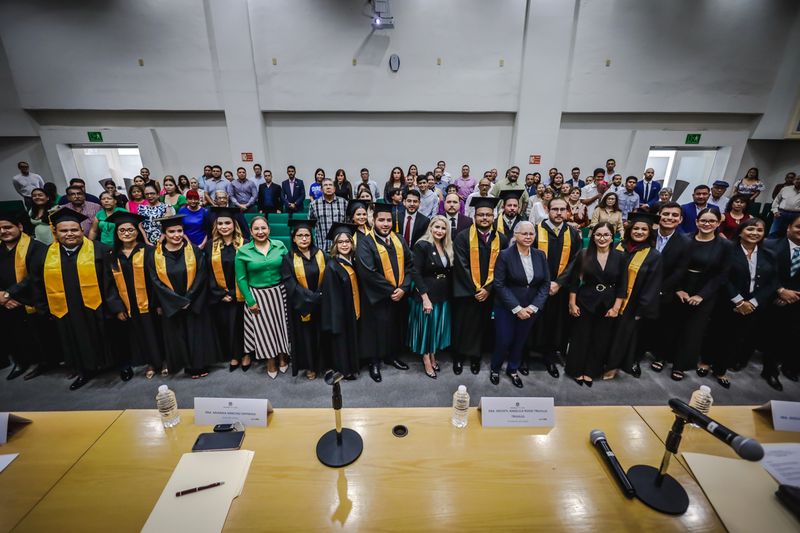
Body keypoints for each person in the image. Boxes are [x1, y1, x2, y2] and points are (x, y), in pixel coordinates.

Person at [36, 208, 117, 390]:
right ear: (55, 232)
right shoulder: (46, 255)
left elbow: (112, 282)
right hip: (68, 310)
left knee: (110, 337)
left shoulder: (101, 250)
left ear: (82, 230)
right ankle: (85, 371)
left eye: (74, 229)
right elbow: (37, 283)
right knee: (76, 339)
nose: (70, 234)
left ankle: (120, 367)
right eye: (64, 230)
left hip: (99, 307)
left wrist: (114, 306)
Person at [145, 215, 220, 378]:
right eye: (171, 232)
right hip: (170, 303)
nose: (176, 235)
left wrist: (189, 299)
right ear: (164, 233)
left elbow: (202, 275)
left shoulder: (193, 250)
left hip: (194, 301)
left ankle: (199, 366)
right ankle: (184, 365)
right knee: (178, 335)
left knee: (196, 334)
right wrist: (177, 302)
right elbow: (155, 281)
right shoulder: (155, 255)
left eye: (179, 231)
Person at [709, 218, 777, 388]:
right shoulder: (728, 250)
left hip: (752, 305)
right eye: (750, 229)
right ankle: (706, 362)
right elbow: (722, 276)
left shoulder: (769, 254)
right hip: (727, 301)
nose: (755, 233)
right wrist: (739, 300)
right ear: (740, 232)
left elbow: (772, 282)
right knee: (716, 333)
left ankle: (721, 369)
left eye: (759, 230)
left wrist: (753, 302)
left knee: (736, 338)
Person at [669, 208, 732, 381]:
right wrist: (677, 289)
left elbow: (722, 274)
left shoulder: (725, 245)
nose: (707, 224)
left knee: (693, 329)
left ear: (718, 223)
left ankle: (680, 365)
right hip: (681, 284)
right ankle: (663, 357)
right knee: (672, 323)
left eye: (712, 221)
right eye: (703, 220)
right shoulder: (684, 239)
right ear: (697, 222)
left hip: (706, 289)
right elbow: (673, 266)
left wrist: (702, 295)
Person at [356, 202, 413, 382]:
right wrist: (391, 290)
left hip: (398, 295)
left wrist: (404, 288)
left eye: (388, 220)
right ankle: (374, 362)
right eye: (381, 220)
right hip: (376, 297)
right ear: (373, 221)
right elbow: (368, 272)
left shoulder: (399, 239)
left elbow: (411, 264)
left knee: (393, 327)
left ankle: (391, 356)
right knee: (374, 329)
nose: (386, 223)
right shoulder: (365, 242)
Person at [103, 211, 164, 379]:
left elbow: (158, 279)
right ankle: (151, 362)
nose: (126, 233)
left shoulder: (149, 251)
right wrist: (117, 308)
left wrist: (159, 303)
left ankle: (164, 361)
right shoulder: (112, 256)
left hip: (150, 302)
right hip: (128, 304)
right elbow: (108, 285)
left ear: (137, 231)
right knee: (139, 335)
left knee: (157, 331)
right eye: (122, 230)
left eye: (130, 230)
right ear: (117, 233)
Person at [565, 222, 627, 386]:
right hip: (585, 300)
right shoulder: (584, 254)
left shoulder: (620, 257)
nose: (602, 238)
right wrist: (572, 303)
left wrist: (616, 307)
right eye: (598, 235)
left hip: (608, 302)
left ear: (612, 237)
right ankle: (576, 370)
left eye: (606, 235)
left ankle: (591, 371)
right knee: (581, 336)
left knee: (600, 339)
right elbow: (573, 282)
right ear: (593, 236)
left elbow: (622, 285)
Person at [451, 197, 508, 375]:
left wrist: (488, 289)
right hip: (466, 290)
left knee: (483, 326)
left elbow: (503, 268)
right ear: (474, 216)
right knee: (462, 324)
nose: (484, 218)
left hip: (489, 292)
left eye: (488, 215)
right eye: (481, 215)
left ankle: (475, 357)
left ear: (494, 216)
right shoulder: (462, 237)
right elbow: (461, 265)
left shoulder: (502, 240)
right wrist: (476, 287)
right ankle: (459, 356)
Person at [604, 212, 663, 379]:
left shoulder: (653, 255)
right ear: (630, 229)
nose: (639, 232)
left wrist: (641, 310)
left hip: (632, 304)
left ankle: (612, 366)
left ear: (649, 232)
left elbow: (653, 284)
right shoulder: (617, 246)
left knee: (621, 337)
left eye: (644, 229)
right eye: (636, 228)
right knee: (606, 333)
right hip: (609, 299)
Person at [491, 221, 549, 388]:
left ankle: (513, 369)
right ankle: (495, 368)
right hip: (507, 307)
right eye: (524, 233)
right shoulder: (505, 255)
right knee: (504, 340)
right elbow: (499, 284)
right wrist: (517, 309)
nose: (528, 237)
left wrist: (532, 307)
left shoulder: (540, 255)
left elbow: (545, 284)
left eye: (531, 234)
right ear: (515, 235)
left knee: (520, 340)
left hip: (531, 309)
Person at [530, 198, 583, 378]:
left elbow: (575, 261)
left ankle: (549, 357)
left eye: (562, 209)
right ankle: (526, 356)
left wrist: (559, 283)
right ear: (547, 209)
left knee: (555, 324)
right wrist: (545, 283)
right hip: (536, 288)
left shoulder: (573, 234)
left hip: (559, 289)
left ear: (568, 211)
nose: (559, 213)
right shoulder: (536, 231)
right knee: (532, 322)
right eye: (555, 209)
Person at [235, 216, 291, 378]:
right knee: (264, 330)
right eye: (256, 229)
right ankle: (270, 360)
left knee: (281, 326)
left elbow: (289, 269)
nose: (261, 232)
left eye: (263, 228)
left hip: (280, 293)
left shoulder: (279, 246)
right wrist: (250, 300)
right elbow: (241, 279)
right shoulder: (243, 251)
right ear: (251, 232)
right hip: (258, 296)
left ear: (269, 229)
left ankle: (282, 356)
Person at [0, 210, 48, 379]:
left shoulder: (36, 247)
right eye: (0, 228)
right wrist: (3, 297)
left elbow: (35, 276)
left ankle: (42, 363)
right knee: (14, 335)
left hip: (31, 301)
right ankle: (21, 362)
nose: (3, 231)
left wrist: (9, 294)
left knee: (37, 336)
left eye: (8, 227)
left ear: (19, 227)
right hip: (6, 303)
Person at [645, 202, 691, 372]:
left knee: (665, 325)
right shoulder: (647, 234)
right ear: (659, 216)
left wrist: (660, 288)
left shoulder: (686, 242)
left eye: (674, 215)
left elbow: (680, 271)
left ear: (680, 220)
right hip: (641, 287)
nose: (669, 218)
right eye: (666, 214)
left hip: (666, 290)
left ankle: (660, 356)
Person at [408, 216, 453, 379]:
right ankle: (426, 359)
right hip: (426, 295)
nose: (439, 231)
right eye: (437, 227)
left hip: (442, 294)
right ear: (431, 227)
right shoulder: (422, 245)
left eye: (443, 228)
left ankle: (433, 355)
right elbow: (415, 272)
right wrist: (425, 298)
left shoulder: (445, 245)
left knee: (435, 329)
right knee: (427, 330)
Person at [281, 218, 326, 379]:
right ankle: (310, 367)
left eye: (307, 235)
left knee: (321, 335)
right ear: (294, 238)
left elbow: (327, 277)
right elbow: (290, 283)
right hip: (301, 306)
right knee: (306, 337)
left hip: (321, 304)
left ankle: (322, 365)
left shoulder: (320, 254)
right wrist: (311, 297)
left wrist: (319, 295)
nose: (304, 238)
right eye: (300, 235)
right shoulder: (289, 258)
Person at [762, 214, 800, 390]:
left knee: (793, 336)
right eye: (798, 227)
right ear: (788, 228)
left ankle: (789, 367)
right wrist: (781, 291)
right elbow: (764, 272)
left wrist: (794, 295)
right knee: (771, 334)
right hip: (772, 297)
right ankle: (770, 371)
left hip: (797, 301)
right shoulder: (770, 246)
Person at [208, 207, 247, 374]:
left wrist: (236, 292)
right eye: (220, 223)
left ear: (234, 224)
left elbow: (249, 270)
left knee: (244, 324)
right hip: (222, 295)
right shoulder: (211, 245)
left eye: (227, 223)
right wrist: (220, 294)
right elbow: (207, 272)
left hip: (242, 293)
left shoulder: (244, 243)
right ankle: (234, 354)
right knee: (228, 325)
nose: (224, 226)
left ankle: (246, 353)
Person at [320, 222, 361, 378]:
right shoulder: (332, 266)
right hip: (341, 314)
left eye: (347, 241)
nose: (344, 244)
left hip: (352, 309)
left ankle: (352, 366)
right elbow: (332, 296)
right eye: (340, 242)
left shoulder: (353, 261)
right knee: (342, 343)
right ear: (335, 244)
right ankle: (345, 370)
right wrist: (338, 318)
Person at [309, 178, 348, 252]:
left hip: (340, 247)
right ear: (321, 190)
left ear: (334, 189)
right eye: (325, 185)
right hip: (321, 247)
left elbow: (347, 223)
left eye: (330, 185)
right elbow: (311, 225)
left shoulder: (344, 203)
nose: (328, 187)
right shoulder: (314, 205)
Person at [770, 172, 800, 238]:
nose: (798, 181)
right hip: (781, 213)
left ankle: (785, 247)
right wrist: (775, 211)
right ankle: (769, 246)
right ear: (794, 180)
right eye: (797, 179)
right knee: (774, 232)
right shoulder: (785, 189)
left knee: (791, 234)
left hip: (797, 215)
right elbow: (776, 200)